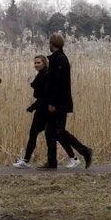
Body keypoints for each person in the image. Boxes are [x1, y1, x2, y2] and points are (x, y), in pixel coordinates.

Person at [42, 32, 94, 170]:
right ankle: (52, 162)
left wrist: (52, 102)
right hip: (57, 102)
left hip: (59, 104)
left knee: (59, 132)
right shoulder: (57, 59)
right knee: (50, 132)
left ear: (52, 44)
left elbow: (59, 84)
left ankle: (84, 151)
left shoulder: (60, 59)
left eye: (49, 43)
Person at [14, 55, 76, 168]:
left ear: (44, 63)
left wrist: (33, 106)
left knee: (57, 135)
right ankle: (26, 160)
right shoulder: (42, 74)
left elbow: (44, 96)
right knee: (35, 134)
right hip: (42, 109)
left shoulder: (45, 75)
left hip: (46, 111)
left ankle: (73, 158)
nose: (36, 65)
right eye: (35, 63)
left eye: (38, 63)